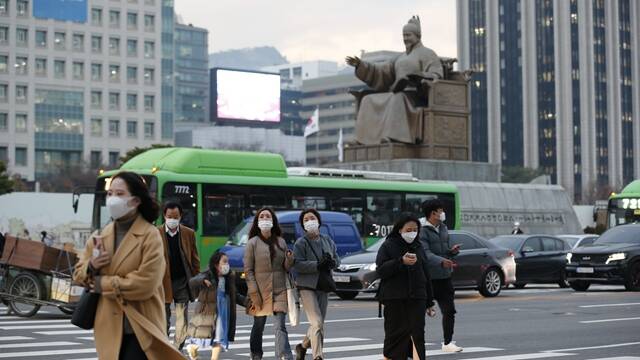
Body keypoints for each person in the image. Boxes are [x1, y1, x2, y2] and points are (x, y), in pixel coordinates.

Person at [73, 171, 183, 360]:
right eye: (110, 194)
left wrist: (101, 284)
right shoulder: (100, 236)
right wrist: (91, 266)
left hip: (141, 329)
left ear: (136, 200)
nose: (113, 199)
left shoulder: (150, 236)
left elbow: (145, 284)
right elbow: (78, 275)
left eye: (120, 194)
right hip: (108, 328)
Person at [345, 16, 443, 145]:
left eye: (408, 35)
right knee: (368, 100)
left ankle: (394, 137)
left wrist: (419, 76)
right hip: (397, 91)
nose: (405, 39)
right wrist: (361, 65)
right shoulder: (399, 58)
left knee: (398, 98)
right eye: (404, 35)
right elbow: (381, 71)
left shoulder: (428, 54)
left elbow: (436, 74)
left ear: (417, 36)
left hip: (417, 95)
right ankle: (362, 139)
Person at [244, 207, 295, 360]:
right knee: (259, 326)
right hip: (259, 291)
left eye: (268, 217)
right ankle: (256, 354)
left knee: (280, 325)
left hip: (280, 290)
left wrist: (289, 259)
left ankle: (284, 355)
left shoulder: (280, 241)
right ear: (258, 221)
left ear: (272, 221)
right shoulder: (252, 243)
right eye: (262, 217)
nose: (265, 219)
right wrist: (254, 293)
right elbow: (248, 270)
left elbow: (285, 268)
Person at [293, 209, 340, 360]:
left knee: (318, 325)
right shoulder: (301, 243)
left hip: (323, 285)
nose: (309, 221)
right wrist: (317, 265)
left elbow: (337, 260)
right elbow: (298, 264)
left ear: (318, 221)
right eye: (306, 220)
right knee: (317, 322)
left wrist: (332, 263)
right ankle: (318, 356)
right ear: (303, 225)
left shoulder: (327, 240)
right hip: (307, 286)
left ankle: (302, 346)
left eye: (312, 218)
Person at [419, 199, 463, 353]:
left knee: (449, 311)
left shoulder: (443, 228)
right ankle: (417, 344)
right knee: (419, 314)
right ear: (433, 213)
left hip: (445, 278)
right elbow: (425, 253)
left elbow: (443, 250)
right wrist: (441, 261)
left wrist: (452, 252)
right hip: (428, 279)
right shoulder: (422, 230)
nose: (443, 213)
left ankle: (448, 342)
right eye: (440, 210)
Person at [158, 201, 200, 349]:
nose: (172, 219)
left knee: (182, 316)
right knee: (163, 317)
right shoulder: (156, 233)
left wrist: (196, 280)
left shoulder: (188, 233)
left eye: (175, 216)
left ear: (180, 216)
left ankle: (178, 346)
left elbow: (195, 258)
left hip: (182, 281)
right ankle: (163, 345)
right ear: (164, 216)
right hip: (163, 283)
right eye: (169, 216)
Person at [184, 251, 238, 360]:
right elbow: (192, 282)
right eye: (224, 262)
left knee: (219, 337)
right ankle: (192, 348)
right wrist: (202, 280)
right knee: (201, 336)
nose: (227, 265)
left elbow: (235, 295)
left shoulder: (228, 278)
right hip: (208, 311)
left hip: (223, 312)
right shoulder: (208, 274)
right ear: (216, 264)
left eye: (227, 262)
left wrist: (247, 302)